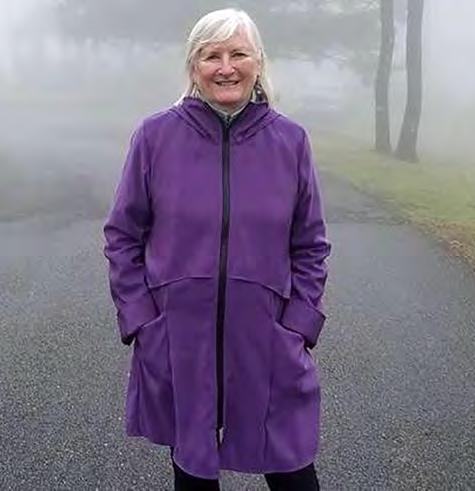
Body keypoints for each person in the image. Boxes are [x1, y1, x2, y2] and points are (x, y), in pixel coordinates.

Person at [103, 8, 331, 490]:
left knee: (292, 469)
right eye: (212, 56)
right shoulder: (155, 137)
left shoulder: (290, 141)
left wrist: (299, 325)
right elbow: (123, 235)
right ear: (194, 66)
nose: (226, 67)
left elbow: (310, 243)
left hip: (268, 340)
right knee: (193, 468)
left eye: (238, 54)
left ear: (258, 62)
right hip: (179, 340)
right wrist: (142, 321)